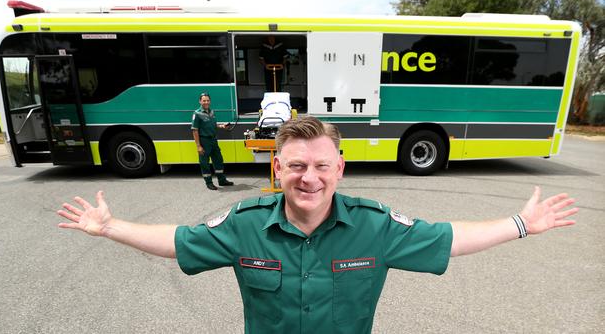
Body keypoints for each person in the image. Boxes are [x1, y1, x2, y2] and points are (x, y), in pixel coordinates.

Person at [57, 116, 578, 333]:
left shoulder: (376, 227)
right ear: (278, 169)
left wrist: (521, 223)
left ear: (339, 169)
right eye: (298, 166)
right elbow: (178, 242)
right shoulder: (244, 224)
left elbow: (449, 238)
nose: (310, 178)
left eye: (322, 166)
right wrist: (110, 228)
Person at [191, 93, 233, 190]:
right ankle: (209, 183)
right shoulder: (197, 114)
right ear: (200, 101)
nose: (206, 102)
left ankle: (222, 180)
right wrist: (198, 146)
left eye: (208, 100)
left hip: (213, 140)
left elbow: (213, 124)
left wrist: (221, 126)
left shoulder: (211, 112)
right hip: (204, 140)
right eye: (204, 100)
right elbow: (195, 130)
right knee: (204, 163)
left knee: (218, 160)